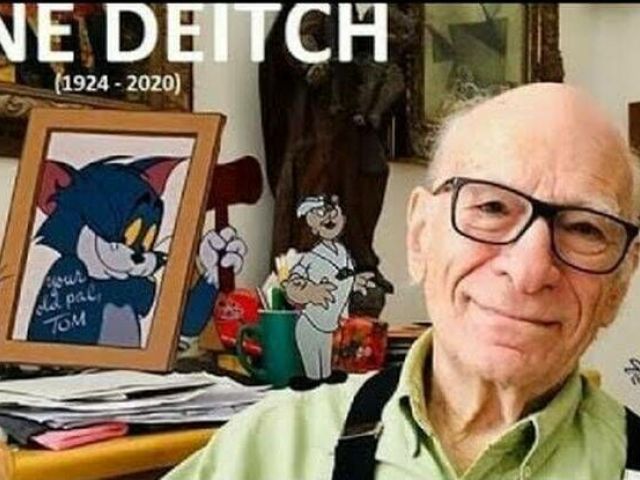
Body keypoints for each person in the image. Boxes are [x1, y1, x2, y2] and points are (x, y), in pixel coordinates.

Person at [163, 83, 640, 479]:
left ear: (618, 287)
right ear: (419, 235)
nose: (529, 271)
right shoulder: (272, 449)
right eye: (492, 207)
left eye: (585, 229)